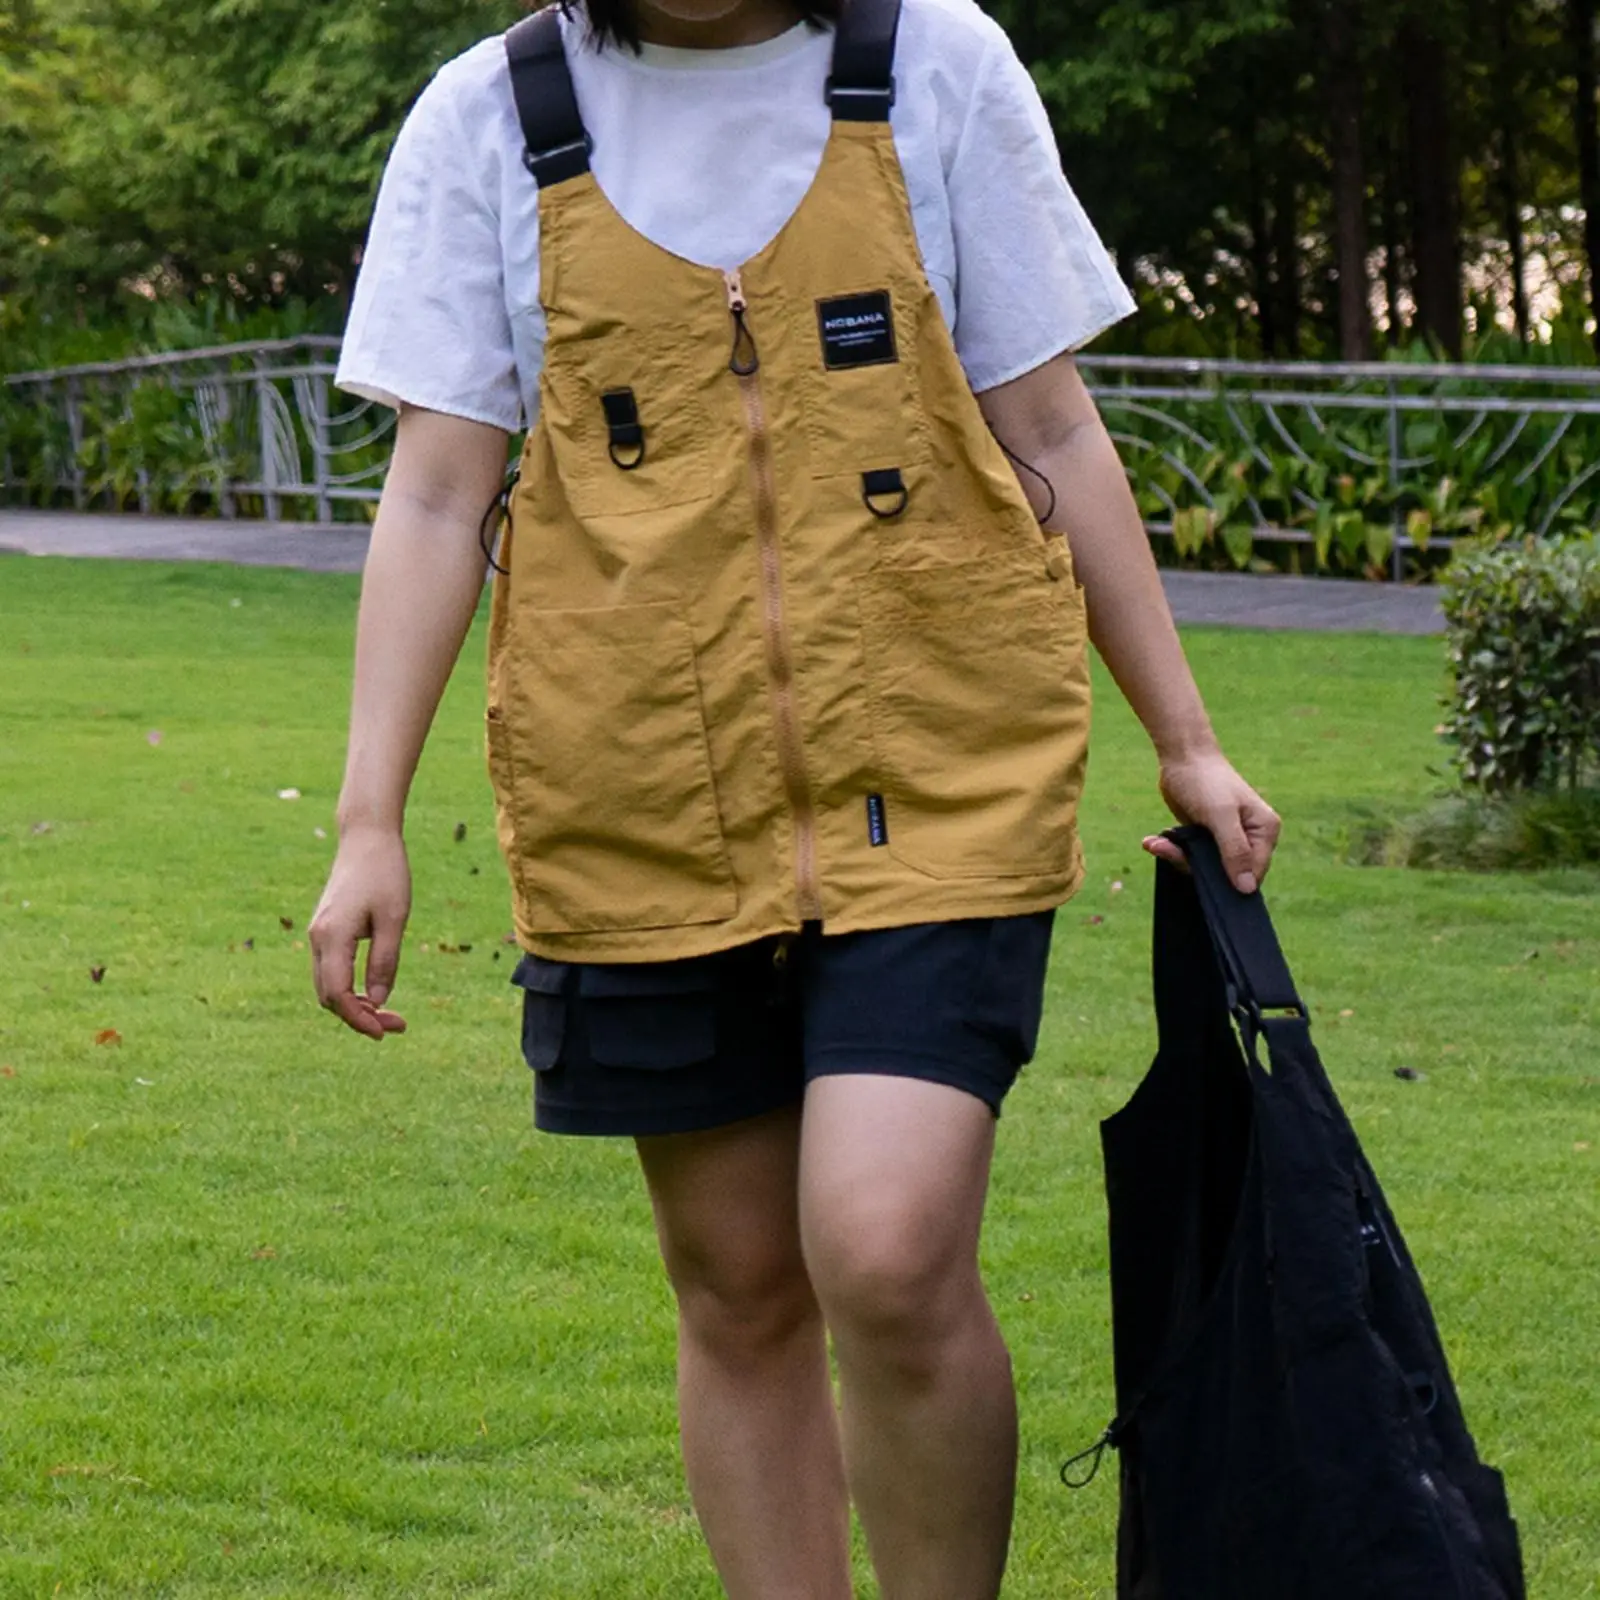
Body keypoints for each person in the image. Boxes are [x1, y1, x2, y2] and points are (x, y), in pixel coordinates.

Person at [310, 0, 1281, 1593]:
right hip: (637, 792)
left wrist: (1187, 737)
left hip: (942, 768)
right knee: (742, 1283)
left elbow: (1049, 419)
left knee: (886, 1250)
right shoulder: (491, 114)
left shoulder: (937, 65)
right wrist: (370, 818)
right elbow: (432, 493)